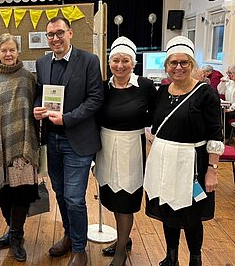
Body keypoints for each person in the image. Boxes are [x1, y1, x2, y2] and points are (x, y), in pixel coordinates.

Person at [143, 36, 224, 266]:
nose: (178, 67)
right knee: (168, 209)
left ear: (192, 65)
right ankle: (171, 256)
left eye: (184, 63)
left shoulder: (205, 94)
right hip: (163, 160)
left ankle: (195, 259)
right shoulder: (161, 92)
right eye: (173, 63)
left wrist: (212, 170)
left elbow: (215, 135)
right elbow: (154, 124)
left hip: (193, 163)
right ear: (166, 65)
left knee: (191, 216)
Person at [33, 16, 104, 266]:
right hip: (51, 141)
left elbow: (96, 99)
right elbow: (40, 94)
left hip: (78, 140)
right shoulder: (42, 63)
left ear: (70, 33)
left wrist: (68, 119)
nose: (55, 38)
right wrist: (36, 109)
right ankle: (68, 235)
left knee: (75, 197)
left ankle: (79, 248)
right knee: (61, 194)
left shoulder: (89, 61)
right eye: (50, 35)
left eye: (59, 33)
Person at [0, 33, 39, 262]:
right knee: (2, 192)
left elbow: (35, 110)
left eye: (12, 50)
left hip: (23, 146)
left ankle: (15, 235)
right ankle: (13, 230)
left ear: (18, 51)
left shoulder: (28, 78)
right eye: (4, 50)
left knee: (21, 193)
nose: (8, 54)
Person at [95, 37, 156, 266]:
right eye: (115, 61)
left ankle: (121, 252)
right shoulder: (103, 87)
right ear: (109, 63)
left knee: (126, 202)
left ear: (134, 63)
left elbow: (157, 116)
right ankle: (124, 239)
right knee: (111, 198)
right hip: (106, 147)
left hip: (131, 148)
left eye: (125, 61)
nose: (120, 66)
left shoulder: (146, 86)